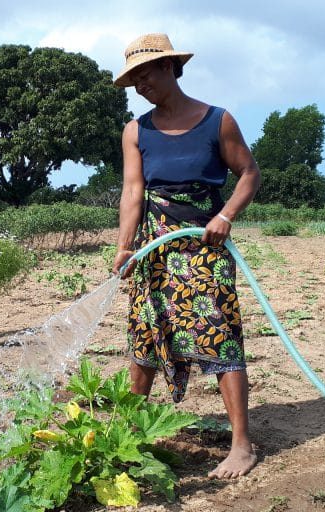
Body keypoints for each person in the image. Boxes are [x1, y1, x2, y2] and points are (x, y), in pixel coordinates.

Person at [109, 33, 262, 480]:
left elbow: (249, 173)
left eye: (146, 74)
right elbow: (133, 190)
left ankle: (241, 445)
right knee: (146, 332)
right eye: (134, 79)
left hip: (205, 246)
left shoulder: (217, 121)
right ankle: (127, 437)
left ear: (170, 68)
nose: (141, 85)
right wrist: (125, 245)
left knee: (219, 334)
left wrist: (227, 215)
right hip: (155, 248)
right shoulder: (136, 131)